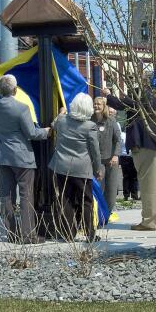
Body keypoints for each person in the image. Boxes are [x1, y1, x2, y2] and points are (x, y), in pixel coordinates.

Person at [0, 66, 50, 243]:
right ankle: (28, 234)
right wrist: (47, 131)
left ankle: (11, 234)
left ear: (0, 89)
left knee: (6, 197)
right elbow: (32, 133)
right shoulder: (21, 108)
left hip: (2, 156)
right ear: (15, 90)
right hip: (22, 157)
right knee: (26, 196)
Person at [102, 86, 156, 231]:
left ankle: (148, 222)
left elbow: (120, 104)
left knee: (147, 185)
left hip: (143, 145)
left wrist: (109, 95)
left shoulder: (139, 98)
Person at [49, 93, 102, 242]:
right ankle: (90, 234)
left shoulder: (62, 120)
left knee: (66, 199)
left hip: (61, 167)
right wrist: (98, 168)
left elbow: (53, 125)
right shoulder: (90, 126)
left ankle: (67, 233)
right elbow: (95, 151)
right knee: (86, 201)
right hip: (82, 169)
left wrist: (60, 113)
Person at [92, 96, 121, 214]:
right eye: (94, 104)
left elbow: (118, 140)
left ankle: (107, 213)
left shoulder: (111, 121)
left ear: (104, 106)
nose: (96, 106)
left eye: (98, 104)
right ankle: (98, 214)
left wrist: (115, 155)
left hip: (111, 160)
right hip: (98, 161)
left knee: (111, 190)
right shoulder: (90, 120)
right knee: (99, 188)